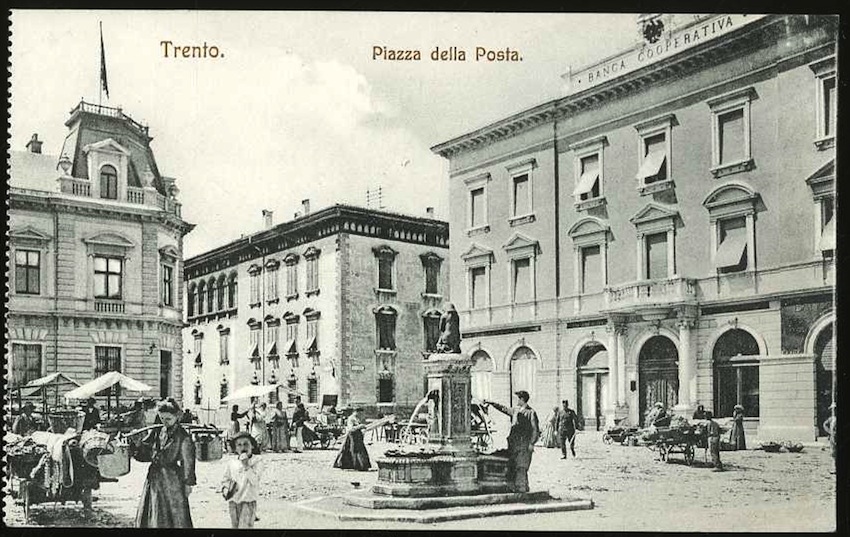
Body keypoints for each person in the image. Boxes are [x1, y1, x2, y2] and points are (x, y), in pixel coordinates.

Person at [133, 398, 196, 528]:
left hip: (172, 480)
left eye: (168, 419)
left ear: (177, 416)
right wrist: (137, 442)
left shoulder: (183, 437)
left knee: (174, 516)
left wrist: (188, 484)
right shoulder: (158, 431)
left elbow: (188, 462)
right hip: (154, 478)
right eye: (162, 419)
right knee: (153, 510)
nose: (165, 422)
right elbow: (145, 452)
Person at [485, 391, 540, 493]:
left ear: (522, 399)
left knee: (521, 466)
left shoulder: (531, 412)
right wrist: (492, 403)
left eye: (518, 398)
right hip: (513, 444)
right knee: (514, 465)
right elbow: (504, 409)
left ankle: (521, 490)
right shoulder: (515, 410)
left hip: (523, 444)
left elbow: (535, 430)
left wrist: (532, 443)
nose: (516, 400)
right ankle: (522, 488)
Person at [220, 431, 262, 528]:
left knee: (245, 527)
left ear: (252, 446)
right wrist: (225, 489)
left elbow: (255, 481)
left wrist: (246, 465)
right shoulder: (232, 462)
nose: (243, 447)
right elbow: (225, 479)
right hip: (233, 501)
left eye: (246, 444)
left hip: (248, 501)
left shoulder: (257, 461)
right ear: (235, 448)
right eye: (239, 445)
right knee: (235, 526)